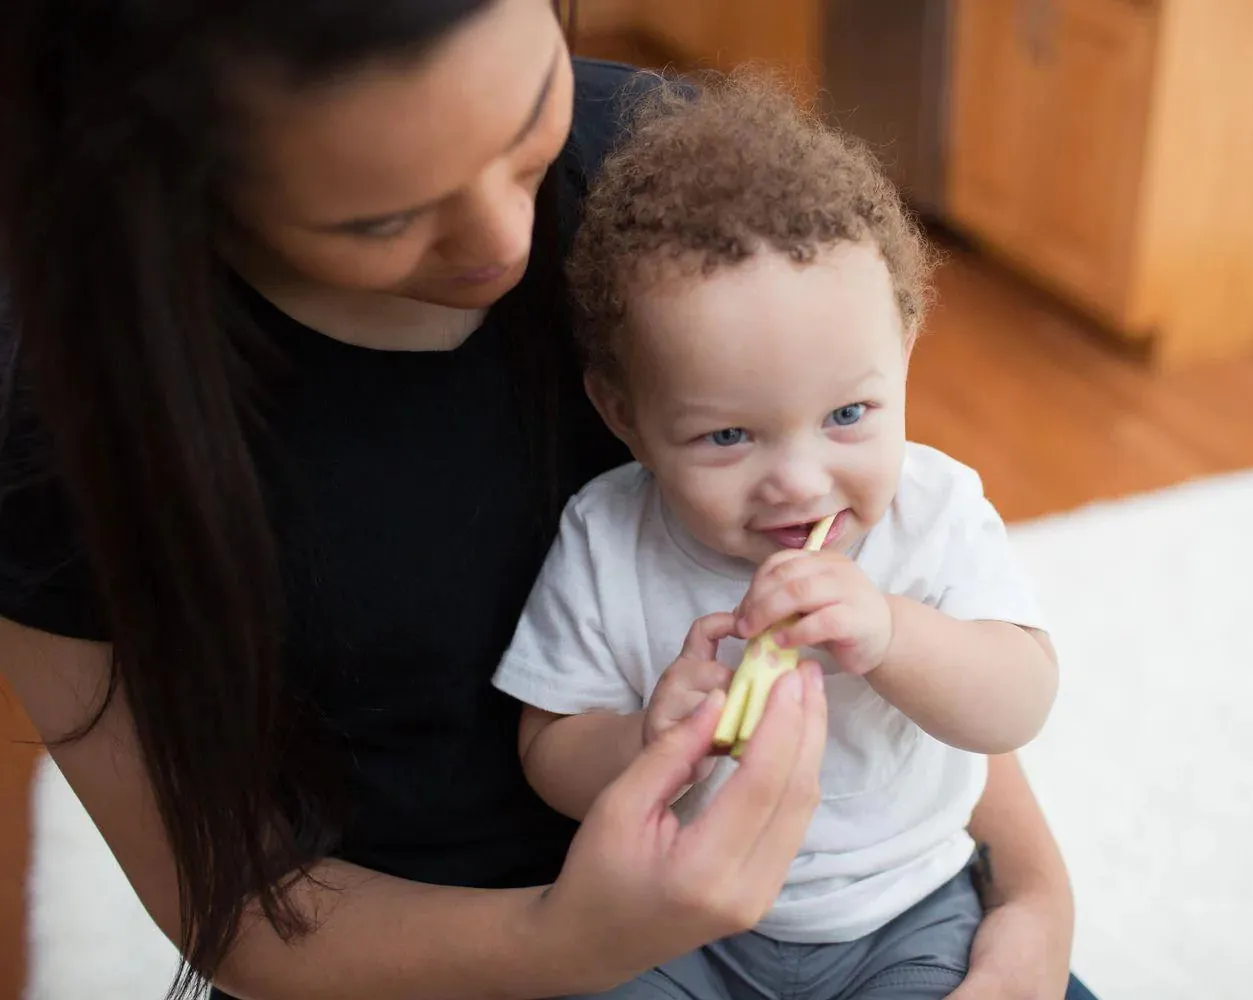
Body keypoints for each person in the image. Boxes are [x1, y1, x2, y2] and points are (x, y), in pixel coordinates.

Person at [0, 1, 1093, 999]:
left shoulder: (672, 192)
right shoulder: (51, 411)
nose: (508, 247)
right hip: (461, 956)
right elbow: (239, 907)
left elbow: (922, 600)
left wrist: (1035, 895)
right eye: (385, 221)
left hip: (894, 908)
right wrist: (576, 936)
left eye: (527, 130)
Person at [491, 73, 1060, 1000]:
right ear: (624, 413)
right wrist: (647, 739)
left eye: (848, 413)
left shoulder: (934, 513)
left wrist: (889, 633)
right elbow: (547, 748)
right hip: (671, 922)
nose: (798, 479)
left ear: (906, 348)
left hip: (904, 913)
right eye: (728, 436)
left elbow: (1018, 703)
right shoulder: (607, 536)